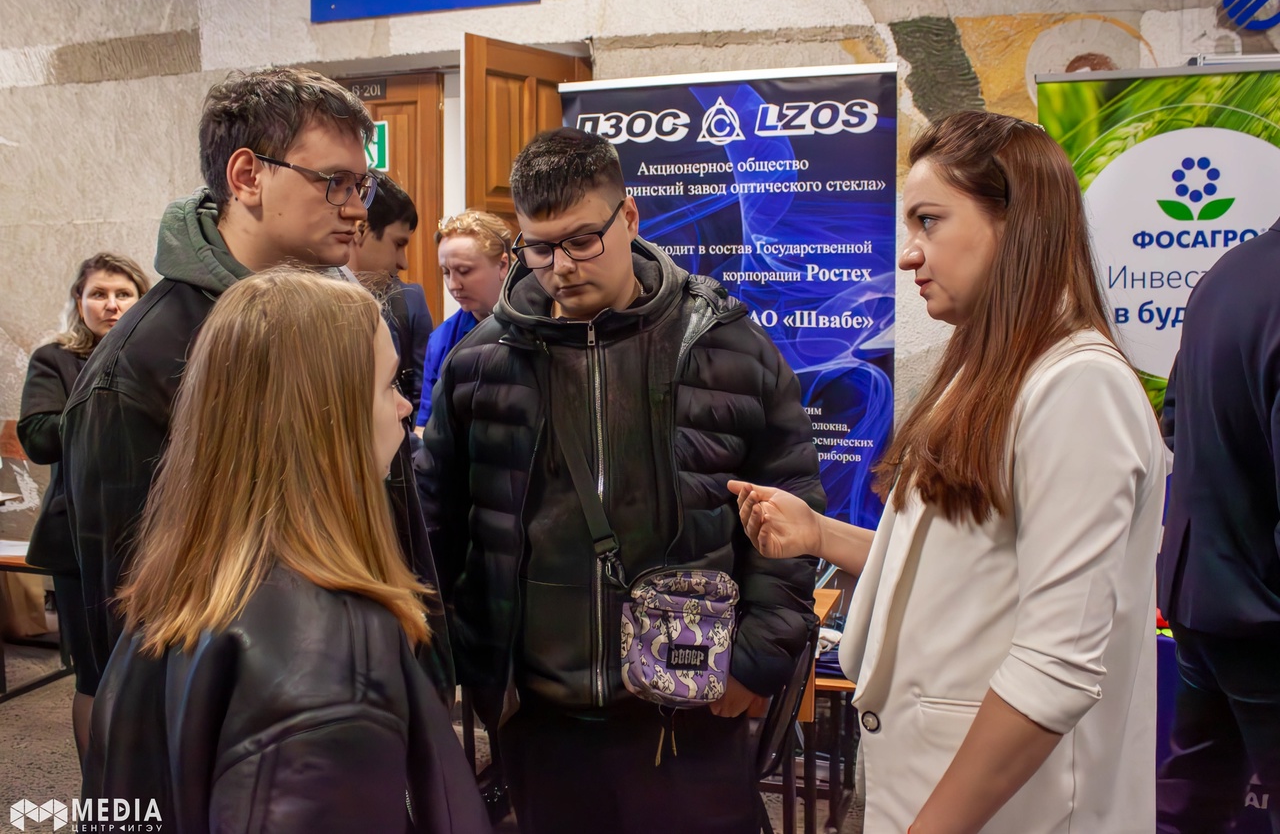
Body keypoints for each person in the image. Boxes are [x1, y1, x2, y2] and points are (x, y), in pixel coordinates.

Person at [731, 110, 1166, 834]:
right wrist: (820, 534)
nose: (908, 255)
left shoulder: (1079, 387)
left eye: (929, 222)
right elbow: (958, 569)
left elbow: (1056, 665)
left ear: (1017, 224)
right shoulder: (984, 373)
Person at [417, 127, 823, 834]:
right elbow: (436, 530)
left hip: (692, 710)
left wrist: (755, 662)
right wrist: (460, 672)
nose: (561, 267)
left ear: (628, 217)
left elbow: (791, 516)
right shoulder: (479, 364)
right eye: (540, 247)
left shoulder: (724, 344)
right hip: (539, 719)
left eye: (582, 240)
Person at [61, 66, 450, 703]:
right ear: (247, 176)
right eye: (335, 183)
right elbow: (134, 630)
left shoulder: (346, 313)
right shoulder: (137, 370)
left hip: (369, 679)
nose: (358, 208)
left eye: (363, 184)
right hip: (261, 726)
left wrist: (427, 668)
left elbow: (391, 513)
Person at [82, 270, 490, 833]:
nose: (403, 406)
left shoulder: (183, 580)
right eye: (386, 385)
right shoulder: (332, 657)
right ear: (327, 417)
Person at [1155, 221, 1280, 832]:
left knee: (1193, 799)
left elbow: (1175, 421)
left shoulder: (1227, 273)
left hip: (1197, 590)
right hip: (1262, 611)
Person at [18, 252, 150, 759]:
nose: (111, 305)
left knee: (151, 670)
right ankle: (99, 787)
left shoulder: (158, 356)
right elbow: (38, 438)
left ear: (143, 300)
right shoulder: (55, 359)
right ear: (80, 301)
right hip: (78, 536)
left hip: (150, 533)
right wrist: (107, 406)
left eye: (123, 294)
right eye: (99, 294)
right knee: (95, 673)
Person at [414, 210, 511, 432]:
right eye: (446, 272)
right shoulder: (441, 340)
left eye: (464, 271)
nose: (453, 285)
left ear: (503, 265)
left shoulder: (539, 327)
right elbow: (425, 427)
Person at [348, 170, 434, 410]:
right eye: (398, 244)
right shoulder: (308, 300)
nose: (403, 263)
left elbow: (420, 400)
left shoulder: (409, 302)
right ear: (361, 229)